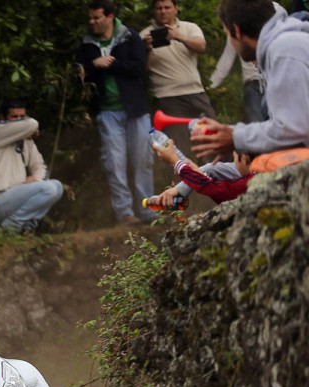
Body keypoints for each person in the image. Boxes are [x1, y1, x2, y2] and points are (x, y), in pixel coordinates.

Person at [191, 0, 309, 161]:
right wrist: (230, 134)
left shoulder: (284, 50)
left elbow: (292, 129)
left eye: (227, 33)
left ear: (237, 31)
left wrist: (234, 137)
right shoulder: (286, 44)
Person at [77, 0, 157, 225]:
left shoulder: (130, 37)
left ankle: (148, 210)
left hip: (136, 109)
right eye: (90, 18)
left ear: (110, 16)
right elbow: (80, 75)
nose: (92, 22)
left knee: (143, 160)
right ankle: (125, 214)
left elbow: (138, 69)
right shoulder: (86, 44)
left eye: (97, 18)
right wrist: (95, 65)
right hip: (107, 111)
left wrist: (111, 64)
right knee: (114, 162)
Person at [0, 100, 64, 233]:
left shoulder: (25, 140)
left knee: (57, 186)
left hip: (15, 200)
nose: (19, 121)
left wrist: (36, 179)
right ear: (2, 118)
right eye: (14, 117)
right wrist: (28, 126)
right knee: (49, 189)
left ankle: (26, 230)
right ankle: (10, 228)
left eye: (22, 117)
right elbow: (32, 124)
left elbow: (40, 166)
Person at [139, 0, 216, 153]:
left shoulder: (189, 27)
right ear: (154, 11)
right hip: (168, 97)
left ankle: (216, 176)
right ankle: (183, 176)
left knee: (212, 139)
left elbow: (201, 46)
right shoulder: (144, 35)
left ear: (176, 9)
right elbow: (142, 71)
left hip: (196, 93)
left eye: (167, 7)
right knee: (179, 147)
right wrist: (146, 49)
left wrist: (180, 37)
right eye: (159, 8)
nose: (163, 11)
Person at [151, 137, 253, 204]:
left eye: (234, 158)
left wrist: (175, 161)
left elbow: (216, 190)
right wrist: (195, 171)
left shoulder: (252, 180)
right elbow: (212, 182)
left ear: (244, 159)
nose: (234, 163)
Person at [210, 37, 265, 123]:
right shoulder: (235, 31)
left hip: (274, 82)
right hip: (253, 84)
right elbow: (226, 60)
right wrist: (210, 86)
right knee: (255, 123)